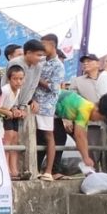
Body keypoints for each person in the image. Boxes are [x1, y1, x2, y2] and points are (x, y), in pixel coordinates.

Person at [32, 34, 64, 182]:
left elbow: (54, 88)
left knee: (48, 136)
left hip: (46, 106)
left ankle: (48, 171)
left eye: (44, 45)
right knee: (34, 136)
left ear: (52, 45)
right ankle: (34, 168)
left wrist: (38, 80)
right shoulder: (41, 61)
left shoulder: (59, 66)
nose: (41, 48)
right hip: (33, 103)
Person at [71, 54, 107, 166]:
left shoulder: (106, 77)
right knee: (93, 152)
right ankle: (92, 176)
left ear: (98, 63)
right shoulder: (77, 81)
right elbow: (72, 102)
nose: (85, 63)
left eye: (89, 61)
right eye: (84, 61)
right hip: (90, 122)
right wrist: (68, 120)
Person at [57, 91, 107, 174]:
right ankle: (51, 171)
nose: (96, 121)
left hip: (54, 110)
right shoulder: (85, 109)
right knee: (59, 138)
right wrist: (86, 158)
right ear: (97, 110)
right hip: (49, 105)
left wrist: (86, 157)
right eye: (100, 119)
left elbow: (83, 137)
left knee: (60, 138)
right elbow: (79, 135)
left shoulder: (88, 108)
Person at [0, 65, 27, 180]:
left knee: (14, 139)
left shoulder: (18, 90)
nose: (18, 82)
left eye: (21, 79)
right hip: (1, 117)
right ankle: (6, 169)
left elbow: (11, 105)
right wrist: (8, 112)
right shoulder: (5, 90)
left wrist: (15, 110)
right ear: (9, 79)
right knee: (8, 140)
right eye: (15, 79)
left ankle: (14, 169)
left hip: (9, 115)